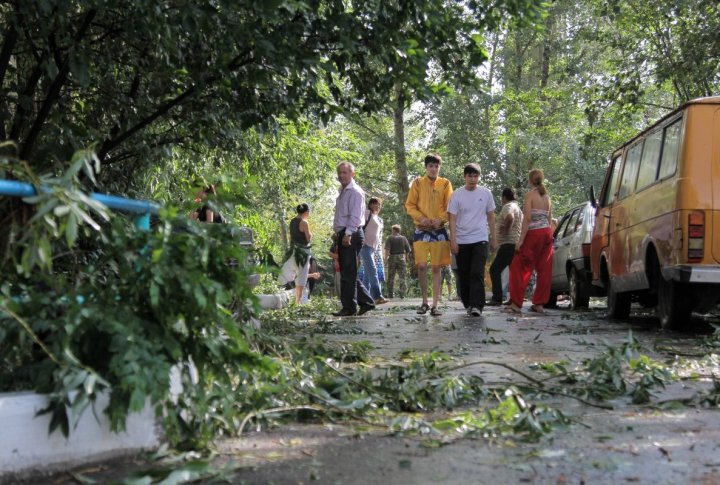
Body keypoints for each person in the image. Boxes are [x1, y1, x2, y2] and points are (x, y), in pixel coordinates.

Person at [405, 153, 453, 316]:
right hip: (421, 230)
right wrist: (421, 218)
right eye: (430, 166)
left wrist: (441, 220)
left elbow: (450, 206)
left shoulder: (445, 183)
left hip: (439, 231)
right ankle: (424, 302)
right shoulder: (417, 183)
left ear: (440, 167)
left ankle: (435, 305)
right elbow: (410, 205)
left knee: (436, 267)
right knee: (421, 265)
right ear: (426, 167)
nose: (433, 169)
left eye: (436, 166)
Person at [447, 163, 497, 316]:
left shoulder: (486, 193)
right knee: (464, 273)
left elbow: (491, 217)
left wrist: (494, 238)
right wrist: (453, 241)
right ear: (465, 176)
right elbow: (452, 220)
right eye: (470, 175)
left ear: (479, 177)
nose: (473, 179)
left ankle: (477, 306)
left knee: (477, 272)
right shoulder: (457, 194)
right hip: (462, 240)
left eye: (476, 176)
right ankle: (468, 302)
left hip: (480, 239)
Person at [507, 169, 553, 315]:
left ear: (530, 180)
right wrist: (550, 236)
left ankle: (516, 303)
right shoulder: (547, 197)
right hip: (546, 234)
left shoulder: (529, 195)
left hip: (533, 234)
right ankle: (539, 304)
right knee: (544, 270)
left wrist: (521, 240)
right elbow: (549, 220)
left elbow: (527, 219)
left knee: (518, 266)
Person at [332, 162, 375, 317]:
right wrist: (338, 232)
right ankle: (366, 302)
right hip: (344, 232)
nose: (342, 175)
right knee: (348, 273)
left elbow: (356, 216)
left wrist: (348, 234)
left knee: (348, 274)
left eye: (345, 172)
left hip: (352, 233)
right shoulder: (343, 191)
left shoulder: (355, 192)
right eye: (340, 172)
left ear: (352, 174)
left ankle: (349, 308)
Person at [488, 188, 523, 306]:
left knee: (494, 270)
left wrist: (506, 230)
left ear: (504, 197)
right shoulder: (517, 206)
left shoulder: (508, 206)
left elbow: (510, 217)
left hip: (508, 244)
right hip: (514, 244)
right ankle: (514, 298)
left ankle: (497, 298)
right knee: (513, 273)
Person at [278, 203, 314, 305]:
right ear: (307, 212)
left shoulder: (292, 221)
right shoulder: (304, 222)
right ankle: (298, 302)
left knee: (291, 274)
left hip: (293, 251)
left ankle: (292, 300)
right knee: (302, 276)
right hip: (303, 252)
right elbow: (308, 238)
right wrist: (311, 233)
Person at [360, 198, 388, 304]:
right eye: (376, 204)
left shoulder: (377, 217)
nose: (378, 207)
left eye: (379, 205)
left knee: (367, 274)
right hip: (365, 246)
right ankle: (377, 296)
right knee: (373, 270)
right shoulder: (367, 213)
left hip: (372, 248)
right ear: (370, 205)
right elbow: (359, 227)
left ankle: (365, 298)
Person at [383, 224, 411, 298]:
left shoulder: (390, 238)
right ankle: (402, 294)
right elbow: (408, 250)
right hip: (401, 258)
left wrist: (385, 260)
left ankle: (391, 294)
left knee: (391, 277)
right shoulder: (404, 238)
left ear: (393, 230)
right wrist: (406, 258)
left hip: (392, 258)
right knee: (402, 276)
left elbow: (387, 250)